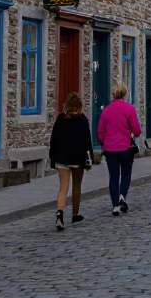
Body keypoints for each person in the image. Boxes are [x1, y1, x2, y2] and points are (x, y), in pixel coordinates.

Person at [48, 92, 93, 231]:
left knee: (63, 187)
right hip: (77, 159)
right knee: (76, 186)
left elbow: (53, 140)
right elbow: (87, 142)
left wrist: (52, 159)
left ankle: (60, 213)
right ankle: (75, 214)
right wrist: (90, 160)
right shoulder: (82, 120)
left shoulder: (60, 119)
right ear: (80, 106)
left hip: (62, 158)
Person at [96, 83, 141, 215]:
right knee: (126, 174)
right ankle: (122, 196)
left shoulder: (106, 110)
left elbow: (100, 131)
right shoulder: (129, 109)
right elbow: (137, 130)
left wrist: (103, 142)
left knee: (113, 177)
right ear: (125, 94)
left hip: (110, 149)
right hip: (125, 147)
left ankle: (115, 206)